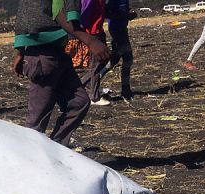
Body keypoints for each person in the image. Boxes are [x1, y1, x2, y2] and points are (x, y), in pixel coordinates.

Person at [11, 0, 109, 147]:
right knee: (36, 121)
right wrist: (91, 41)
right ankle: (29, 160)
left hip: (55, 51)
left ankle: (56, 149)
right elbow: (59, 14)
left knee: (78, 102)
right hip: (43, 55)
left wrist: (20, 51)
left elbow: (25, 18)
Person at [98, 0, 136, 100]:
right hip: (117, 29)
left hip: (120, 28)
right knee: (126, 59)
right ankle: (92, 82)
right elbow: (106, 11)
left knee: (116, 59)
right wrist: (125, 16)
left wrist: (126, 15)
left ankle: (125, 89)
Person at [80, 0, 110, 106]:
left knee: (103, 60)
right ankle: (94, 97)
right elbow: (84, 11)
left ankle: (79, 85)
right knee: (96, 65)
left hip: (98, 31)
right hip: (92, 33)